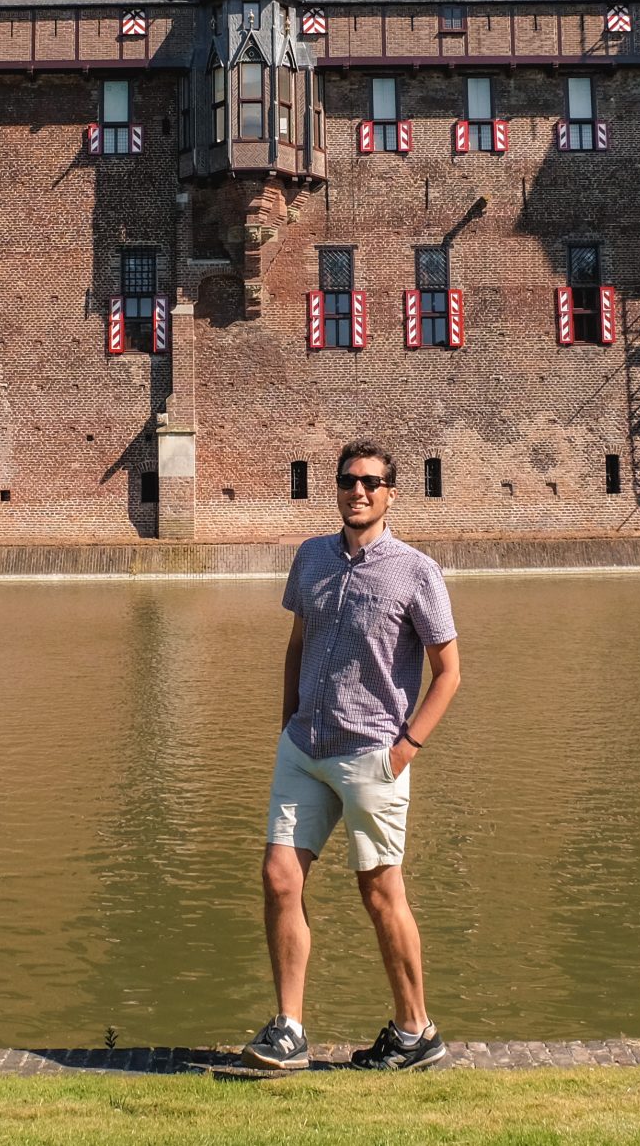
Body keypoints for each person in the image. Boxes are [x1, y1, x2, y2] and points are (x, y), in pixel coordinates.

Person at [242, 439, 461, 1072]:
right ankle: (288, 1029)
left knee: (380, 892)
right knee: (279, 876)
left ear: (391, 493)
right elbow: (296, 645)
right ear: (335, 488)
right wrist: (287, 720)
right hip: (305, 748)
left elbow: (448, 671)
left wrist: (407, 747)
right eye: (347, 480)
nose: (357, 491)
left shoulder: (416, 571)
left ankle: (416, 1032)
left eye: (370, 481)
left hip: (373, 752)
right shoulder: (310, 558)